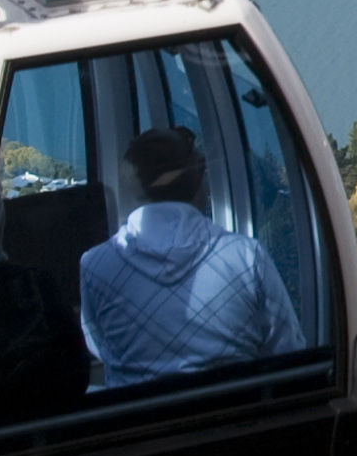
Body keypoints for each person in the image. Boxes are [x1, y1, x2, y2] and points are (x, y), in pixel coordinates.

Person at [77, 125, 300, 388]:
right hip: (236, 421)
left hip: (139, 426)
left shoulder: (95, 266)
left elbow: (101, 348)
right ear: (199, 182)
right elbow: (288, 351)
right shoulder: (246, 258)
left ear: (129, 187)